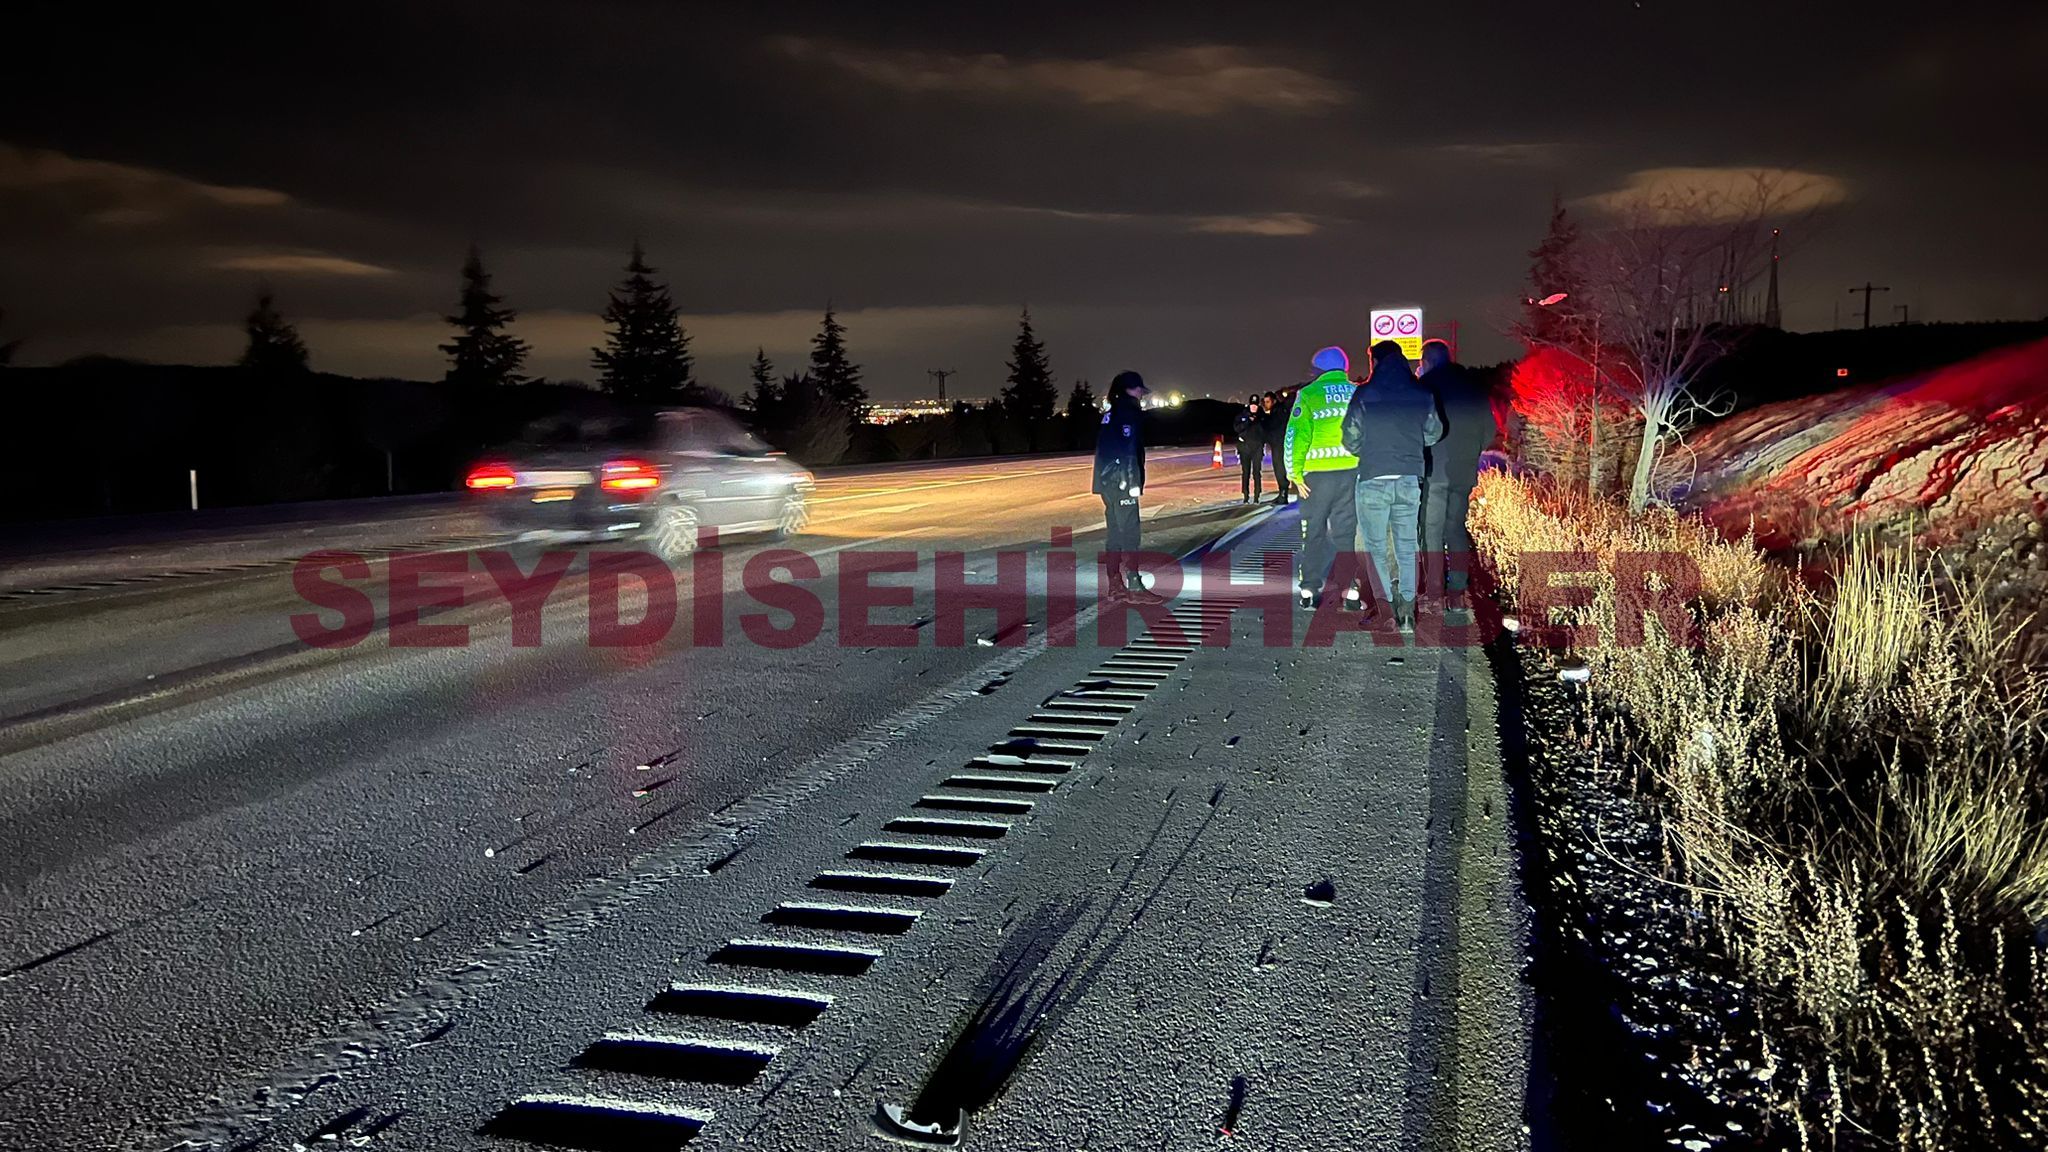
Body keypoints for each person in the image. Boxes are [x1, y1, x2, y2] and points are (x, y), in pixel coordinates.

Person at [1342, 340, 1441, 629]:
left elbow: (1349, 438)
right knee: (1406, 544)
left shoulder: (1365, 393)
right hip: (1409, 477)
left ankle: (1387, 613)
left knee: (1375, 547)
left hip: (1373, 477)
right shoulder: (1420, 392)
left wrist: (1371, 449)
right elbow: (1434, 432)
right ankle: (1408, 613)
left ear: (1375, 361)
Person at [1284, 347, 1359, 608]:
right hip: (1351, 473)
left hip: (1315, 478)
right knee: (1346, 533)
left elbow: (1296, 437)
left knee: (1313, 533)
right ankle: (1349, 590)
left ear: (1317, 370)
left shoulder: (1308, 395)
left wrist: (1294, 473)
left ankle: (1309, 590)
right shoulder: (1356, 392)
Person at [1419, 340, 1491, 597]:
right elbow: (1490, 429)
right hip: (1464, 469)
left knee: (1432, 528)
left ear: (1425, 361)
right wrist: (1471, 453)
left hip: (1435, 469)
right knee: (1456, 526)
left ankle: (1435, 586)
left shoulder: (1426, 386)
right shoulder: (1473, 385)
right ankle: (1458, 585)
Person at [1093, 370, 1151, 600]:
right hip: (1121, 481)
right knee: (1130, 531)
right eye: (1139, 389)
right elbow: (1127, 450)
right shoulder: (1129, 412)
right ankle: (1134, 583)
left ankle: (1114, 583)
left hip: (1107, 481)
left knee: (1115, 532)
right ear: (1129, 389)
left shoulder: (1111, 412)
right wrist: (1131, 483)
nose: (1141, 394)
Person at [1261, 391, 1293, 504]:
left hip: (1279, 444)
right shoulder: (1279, 410)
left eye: (1268, 402)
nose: (1266, 404)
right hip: (1279, 443)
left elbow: (1272, 428)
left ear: (1274, 401)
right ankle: (1282, 494)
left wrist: (1264, 419)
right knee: (1280, 469)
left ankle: (1283, 495)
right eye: (1265, 402)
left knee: (1280, 469)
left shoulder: (1277, 412)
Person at [1234, 393, 1265, 503]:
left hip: (1257, 448)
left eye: (1255, 405)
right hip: (1245, 449)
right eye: (1252, 405)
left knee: (1257, 472)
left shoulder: (1262, 416)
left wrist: (1257, 421)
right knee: (1245, 472)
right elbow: (1237, 428)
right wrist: (1247, 421)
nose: (1254, 408)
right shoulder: (1242, 416)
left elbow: (1265, 431)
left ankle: (1257, 495)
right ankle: (1246, 495)